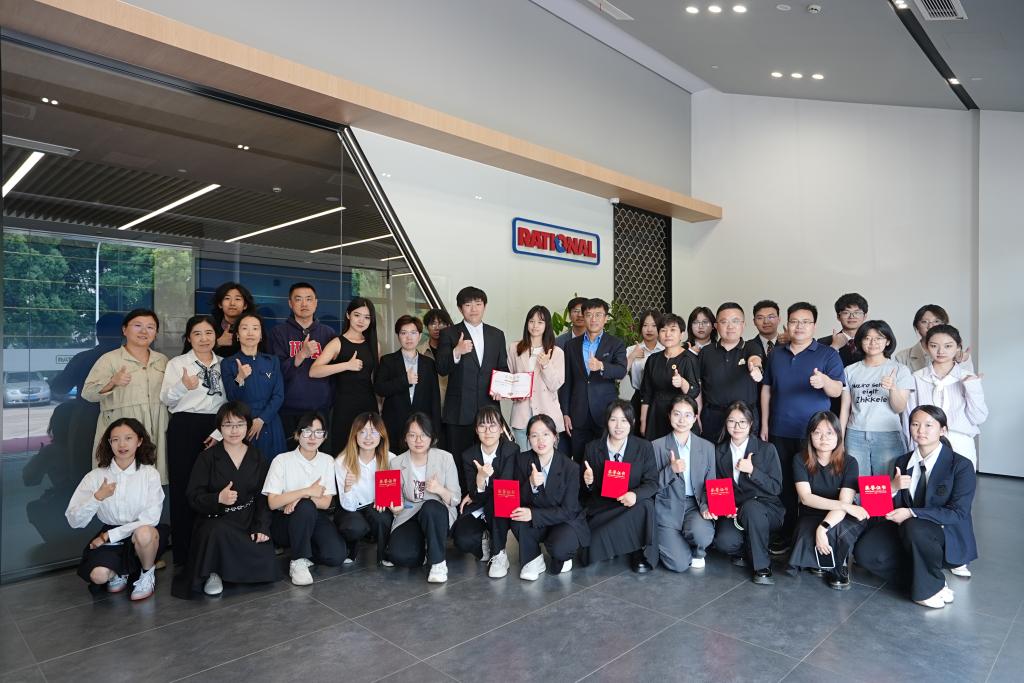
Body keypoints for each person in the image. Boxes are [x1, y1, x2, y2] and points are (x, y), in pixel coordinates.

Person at [854, 405, 977, 608]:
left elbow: (958, 512)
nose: (921, 430)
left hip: (943, 533)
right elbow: (887, 505)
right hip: (908, 531)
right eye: (915, 424)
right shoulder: (902, 461)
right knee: (865, 553)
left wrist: (911, 512)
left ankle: (926, 591)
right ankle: (930, 580)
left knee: (914, 525)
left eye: (929, 425)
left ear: (943, 430)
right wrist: (893, 487)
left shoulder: (961, 465)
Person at [760, 302, 844, 552]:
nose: (799, 326)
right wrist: (764, 423)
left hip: (815, 435)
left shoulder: (828, 354)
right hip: (780, 429)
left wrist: (824, 381)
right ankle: (786, 534)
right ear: (787, 324)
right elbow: (766, 389)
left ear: (814, 326)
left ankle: (814, 538)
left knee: (815, 487)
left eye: (806, 322)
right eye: (794, 321)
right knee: (784, 485)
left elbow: (837, 390)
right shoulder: (776, 354)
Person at [175, 402, 277, 598]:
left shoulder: (257, 457)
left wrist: (261, 526)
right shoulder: (207, 458)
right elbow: (193, 496)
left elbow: (263, 496)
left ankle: (231, 566)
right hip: (217, 519)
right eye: (228, 425)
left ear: (248, 426)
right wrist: (217, 498)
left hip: (247, 519)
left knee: (266, 562)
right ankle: (214, 571)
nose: (234, 430)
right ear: (219, 428)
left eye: (239, 424)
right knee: (216, 531)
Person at [65, 418, 166, 601]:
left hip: (141, 533)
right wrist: (97, 497)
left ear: (139, 441)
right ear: (109, 443)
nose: (122, 445)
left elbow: (151, 518)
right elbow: (74, 520)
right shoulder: (96, 476)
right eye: (115, 439)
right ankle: (122, 570)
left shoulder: (150, 474)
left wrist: (107, 537)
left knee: (144, 533)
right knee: (98, 576)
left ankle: (147, 573)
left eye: (128, 438)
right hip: (111, 534)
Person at [160, 314, 226, 567]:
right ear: (188, 338)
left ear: (216, 336)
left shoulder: (225, 364)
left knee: (215, 487)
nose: (203, 338)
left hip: (216, 428)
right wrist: (183, 386)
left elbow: (230, 402)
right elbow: (166, 399)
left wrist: (219, 433)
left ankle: (214, 549)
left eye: (209, 333)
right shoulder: (178, 364)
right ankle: (185, 553)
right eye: (197, 333)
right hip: (185, 426)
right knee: (184, 487)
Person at [81, 309, 170, 481]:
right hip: (123, 427)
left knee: (151, 481)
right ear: (124, 330)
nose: (144, 331)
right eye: (137, 325)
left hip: (157, 426)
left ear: (156, 333)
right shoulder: (109, 359)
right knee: (119, 481)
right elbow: (88, 393)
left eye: (150, 327)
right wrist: (112, 382)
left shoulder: (162, 360)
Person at [435, 286, 508, 488]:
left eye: (478, 303)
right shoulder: (449, 334)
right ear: (460, 309)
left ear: (484, 306)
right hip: (459, 411)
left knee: (491, 459)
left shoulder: (497, 334)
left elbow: (502, 368)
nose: (473, 309)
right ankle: (460, 497)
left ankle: (486, 496)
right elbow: (441, 368)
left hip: (489, 409)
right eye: (468, 305)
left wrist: (502, 388)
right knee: (459, 459)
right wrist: (456, 352)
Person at [788, 412, 868, 590]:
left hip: (843, 515)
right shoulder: (800, 459)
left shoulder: (850, 462)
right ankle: (820, 562)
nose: (823, 438)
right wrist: (844, 505)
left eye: (829, 433)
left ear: (838, 435)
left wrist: (822, 528)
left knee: (835, 530)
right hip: (813, 512)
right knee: (805, 535)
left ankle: (839, 567)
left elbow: (845, 502)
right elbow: (806, 498)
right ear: (810, 435)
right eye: (817, 432)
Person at [263, 411, 341, 587]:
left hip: (315, 517)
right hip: (284, 520)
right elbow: (273, 502)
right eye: (307, 431)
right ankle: (298, 561)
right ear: (297, 435)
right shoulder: (281, 460)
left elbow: (325, 502)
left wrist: (300, 498)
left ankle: (305, 547)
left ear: (324, 436)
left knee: (336, 556)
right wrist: (307, 492)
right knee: (305, 506)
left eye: (318, 432)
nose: (312, 437)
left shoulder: (327, 461)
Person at [580, 400, 659, 573]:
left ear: (632, 422)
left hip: (630, 506)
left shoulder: (643, 447)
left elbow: (652, 483)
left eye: (624, 420)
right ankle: (616, 545)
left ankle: (638, 550)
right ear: (606, 421)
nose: (618, 426)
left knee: (646, 505)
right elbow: (583, 492)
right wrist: (588, 482)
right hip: (602, 509)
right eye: (613, 420)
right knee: (588, 553)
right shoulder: (592, 448)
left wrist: (635, 495)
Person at [507, 414, 588, 580]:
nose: (540, 440)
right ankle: (533, 559)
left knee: (560, 549)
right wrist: (530, 484)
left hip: (564, 521)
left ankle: (562, 555)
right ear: (528, 439)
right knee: (517, 518)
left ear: (555, 437)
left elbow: (568, 511)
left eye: (545, 434)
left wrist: (534, 514)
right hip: (537, 521)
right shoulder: (521, 460)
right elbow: (515, 499)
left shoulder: (570, 467)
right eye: (534, 435)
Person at [712, 401, 784, 585]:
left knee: (752, 508)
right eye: (731, 421)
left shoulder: (767, 449)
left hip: (766, 509)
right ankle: (749, 549)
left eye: (742, 422)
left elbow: (776, 487)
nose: (737, 427)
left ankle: (762, 567)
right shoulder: (719, 451)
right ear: (726, 423)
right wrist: (725, 508)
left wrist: (753, 471)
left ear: (751, 424)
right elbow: (719, 485)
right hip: (735, 511)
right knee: (724, 541)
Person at [385, 413, 461, 583]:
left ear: (431, 437)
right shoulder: (396, 463)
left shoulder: (445, 458)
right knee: (399, 556)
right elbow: (396, 499)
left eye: (423, 435)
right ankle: (425, 548)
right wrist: (395, 508)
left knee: (430, 507)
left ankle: (438, 562)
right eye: (412, 435)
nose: (418, 440)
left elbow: (455, 499)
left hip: (437, 513)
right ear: (405, 438)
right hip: (410, 513)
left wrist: (439, 489)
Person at [906, 324, 987, 471]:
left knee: (961, 483)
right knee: (923, 484)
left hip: (960, 441)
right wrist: (911, 447)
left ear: (958, 347)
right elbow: (909, 416)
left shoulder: (968, 378)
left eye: (948, 346)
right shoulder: (917, 377)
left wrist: (972, 387)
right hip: (925, 441)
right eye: (934, 346)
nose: (941, 351)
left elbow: (979, 418)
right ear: (926, 347)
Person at [266, 282, 336, 451]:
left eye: (309, 299)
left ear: (316, 303)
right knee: (289, 458)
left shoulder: (328, 333)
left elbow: (334, 373)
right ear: (290, 303)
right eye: (298, 299)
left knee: (320, 458)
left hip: (321, 410)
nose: (304, 304)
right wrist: (300, 355)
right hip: (288, 411)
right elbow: (274, 373)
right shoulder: (278, 332)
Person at [651, 396, 716, 572]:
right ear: (669, 416)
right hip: (667, 509)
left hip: (695, 506)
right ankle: (675, 544)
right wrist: (670, 470)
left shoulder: (707, 447)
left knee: (702, 534)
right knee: (679, 564)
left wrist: (706, 507)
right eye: (677, 414)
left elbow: (710, 483)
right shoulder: (656, 446)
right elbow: (650, 486)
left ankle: (696, 550)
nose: (682, 420)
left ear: (695, 418)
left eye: (688, 415)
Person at [839, 320, 913, 476]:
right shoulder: (850, 370)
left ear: (888, 341)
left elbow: (899, 408)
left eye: (879, 338)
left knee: (886, 483)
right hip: (855, 434)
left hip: (888, 435)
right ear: (860, 341)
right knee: (857, 482)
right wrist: (840, 438)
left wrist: (892, 388)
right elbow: (845, 408)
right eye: (867, 338)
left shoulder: (900, 370)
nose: (872, 342)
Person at [451, 407, 519, 573]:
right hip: (478, 505)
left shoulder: (511, 450)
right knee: (462, 538)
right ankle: (485, 542)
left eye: (492, 425)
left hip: (502, 505)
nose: (487, 431)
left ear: (501, 428)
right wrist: (480, 479)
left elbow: (505, 488)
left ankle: (499, 553)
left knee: (496, 501)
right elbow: (472, 492)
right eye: (482, 426)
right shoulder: (468, 455)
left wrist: (478, 489)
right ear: (476, 429)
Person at [685, 303, 765, 442]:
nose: (730, 326)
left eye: (735, 321)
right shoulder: (706, 352)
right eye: (724, 321)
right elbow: (699, 387)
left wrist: (756, 369)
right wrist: (697, 414)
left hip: (744, 418)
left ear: (743, 324)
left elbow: (755, 359)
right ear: (716, 326)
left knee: (744, 455)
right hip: (713, 417)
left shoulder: (751, 347)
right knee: (712, 453)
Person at [310, 297, 380, 452]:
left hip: (368, 404)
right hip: (344, 405)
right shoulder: (337, 342)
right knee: (343, 449)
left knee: (369, 449)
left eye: (367, 317)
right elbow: (314, 371)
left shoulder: (374, 344)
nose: (361, 321)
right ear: (348, 315)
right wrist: (346, 365)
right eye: (357, 315)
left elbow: (376, 378)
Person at [562, 298, 627, 461]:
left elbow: (621, 371)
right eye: (589, 314)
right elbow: (567, 382)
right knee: (579, 459)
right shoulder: (571, 345)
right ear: (584, 317)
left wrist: (602, 366)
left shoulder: (616, 343)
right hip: (578, 412)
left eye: (598, 315)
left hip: (604, 412)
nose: (593, 319)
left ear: (606, 318)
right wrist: (565, 413)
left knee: (605, 459)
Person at [222, 313, 286, 462]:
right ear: (237, 335)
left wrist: (262, 419)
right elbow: (231, 398)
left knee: (273, 466)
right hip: (244, 423)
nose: (250, 333)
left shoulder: (272, 361)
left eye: (255, 328)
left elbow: (278, 395)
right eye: (245, 328)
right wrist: (240, 378)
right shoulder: (228, 363)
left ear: (261, 335)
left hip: (270, 421)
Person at [335, 412, 396, 566]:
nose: (368, 437)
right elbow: (348, 506)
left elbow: (392, 497)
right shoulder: (342, 461)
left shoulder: (391, 459)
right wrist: (347, 487)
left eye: (374, 432)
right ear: (354, 435)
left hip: (376, 507)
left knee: (382, 518)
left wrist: (385, 499)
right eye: (362, 432)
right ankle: (350, 549)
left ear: (381, 435)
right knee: (354, 526)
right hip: (351, 508)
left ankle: (384, 554)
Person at [376, 315, 441, 453]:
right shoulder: (388, 361)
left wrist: (435, 429)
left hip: (422, 427)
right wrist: (404, 380)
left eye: (413, 333)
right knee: (394, 461)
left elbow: (434, 398)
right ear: (398, 336)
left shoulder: (429, 363)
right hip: (394, 424)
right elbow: (380, 388)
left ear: (420, 336)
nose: (409, 337)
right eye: (404, 333)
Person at [507, 305, 565, 451]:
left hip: (548, 415)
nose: (535, 326)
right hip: (522, 414)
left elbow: (555, 385)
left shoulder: (556, 352)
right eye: (531, 321)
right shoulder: (515, 348)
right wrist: (512, 393)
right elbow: (510, 378)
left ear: (547, 325)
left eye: (540, 322)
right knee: (524, 459)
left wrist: (546, 365)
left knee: (547, 460)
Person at [638, 313, 693, 441]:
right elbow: (647, 393)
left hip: (679, 416)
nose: (668, 334)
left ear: (682, 334)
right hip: (655, 413)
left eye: (673, 330)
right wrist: (643, 420)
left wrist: (682, 382)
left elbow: (694, 391)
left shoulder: (689, 359)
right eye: (663, 330)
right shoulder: (653, 359)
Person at [894, 304, 974, 373]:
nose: (930, 326)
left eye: (936, 321)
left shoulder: (960, 354)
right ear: (916, 326)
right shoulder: (902, 357)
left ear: (945, 325)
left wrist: (963, 362)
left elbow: (969, 381)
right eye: (924, 322)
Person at [622, 309, 663, 411]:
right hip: (639, 398)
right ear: (640, 328)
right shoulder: (631, 350)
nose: (649, 329)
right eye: (645, 325)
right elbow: (620, 376)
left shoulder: (665, 350)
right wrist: (632, 356)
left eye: (654, 325)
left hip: (661, 399)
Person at [818, 293, 869, 367]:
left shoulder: (874, 342)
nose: (852, 317)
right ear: (838, 317)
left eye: (857, 312)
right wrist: (834, 347)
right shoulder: (823, 343)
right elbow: (817, 367)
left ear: (865, 316)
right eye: (846, 313)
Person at [210, 281, 256, 357]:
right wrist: (218, 343)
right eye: (227, 298)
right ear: (220, 304)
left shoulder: (254, 327)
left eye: (237, 299)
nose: (232, 303)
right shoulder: (210, 326)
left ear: (245, 305)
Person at [418, 308, 453, 407]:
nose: (437, 328)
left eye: (441, 323)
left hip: (450, 403)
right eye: (433, 324)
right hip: (426, 403)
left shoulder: (455, 351)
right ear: (426, 327)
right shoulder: (419, 351)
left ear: (448, 326)